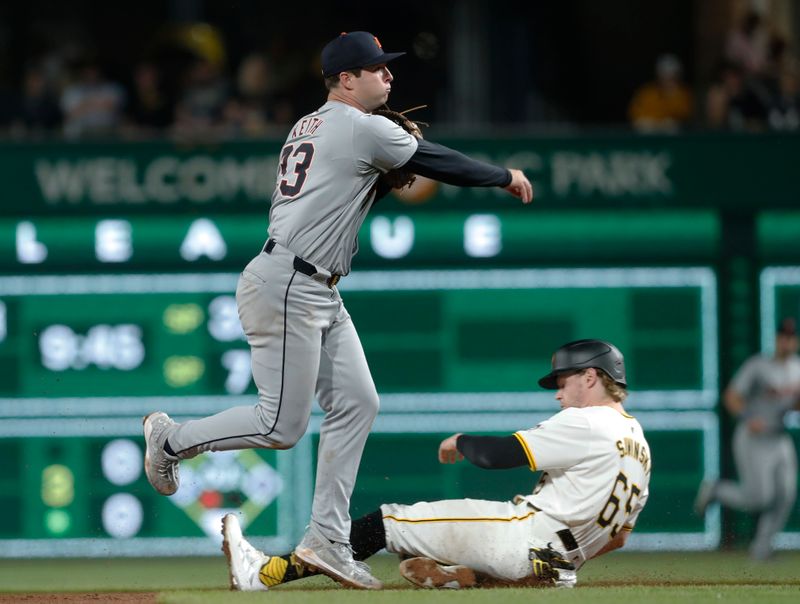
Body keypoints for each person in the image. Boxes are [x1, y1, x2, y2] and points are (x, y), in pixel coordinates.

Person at [142, 30, 533, 591]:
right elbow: (433, 160)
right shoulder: (356, 125)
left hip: (315, 286)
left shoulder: (313, 124)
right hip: (288, 284)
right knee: (281, 424)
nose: (389, 76)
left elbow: (352, 183)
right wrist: (503, 175)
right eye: (377, 68)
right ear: (346, 80)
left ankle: (328, 538)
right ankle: (171, 439)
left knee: (357, 402)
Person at [218, 339, 651, 591]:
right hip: (556, 560)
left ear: (591, 378)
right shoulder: (638, 444)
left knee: (387, 522)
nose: (558, 394)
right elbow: (618, 539)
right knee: (423, 546)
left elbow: (498, 456)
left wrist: (461, 440)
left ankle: (263, 574)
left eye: (564, 382)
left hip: (523, 534)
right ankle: (472, 577)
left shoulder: (587, 421)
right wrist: (559, 560)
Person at [695, 317, 800, 560]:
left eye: (791, 337)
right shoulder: (758, 365)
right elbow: (731, 396)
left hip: (778, 437)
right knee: (759, 498)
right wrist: (747, 416)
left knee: (786, 494)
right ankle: (716, 490)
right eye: (784, 337)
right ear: (776, 339)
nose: (787, 341)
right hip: (753, 436)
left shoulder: (797, 368)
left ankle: (761, 548)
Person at [628, 53, 694, 133]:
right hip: (648, 138)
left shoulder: (683, 94)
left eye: (672, 76)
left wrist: (672, 95)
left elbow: (684, 117)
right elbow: (636, 118)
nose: (668, 79)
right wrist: (655, 124)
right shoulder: (647, 94)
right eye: (665, 75)